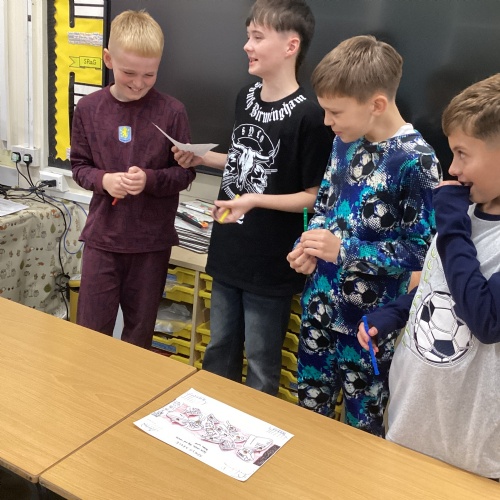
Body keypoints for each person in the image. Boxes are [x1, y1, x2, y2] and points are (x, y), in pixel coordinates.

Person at [174, 0, 332, 395]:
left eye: (257, 37)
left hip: (270, 262)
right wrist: (202, 157)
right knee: (218, 349)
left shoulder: (311, 116)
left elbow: (313, 196)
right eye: (248, 36)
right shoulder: (245, 96)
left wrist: (255, 201)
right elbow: (240, 158)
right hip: (228, 248)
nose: (247, 46)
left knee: (262, 363)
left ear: (290, 46)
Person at [287, 35, 442, 436]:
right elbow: (324, 208)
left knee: (361, 434)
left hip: (368, 328)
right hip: (319, 309)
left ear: (376, 104)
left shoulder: (417, 162)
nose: (327, 121)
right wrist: (306, 246)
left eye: (335, 111)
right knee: (305, 421)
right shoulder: (344, 142)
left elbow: (422, 253)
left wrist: (344, 251)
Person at [358, 73, 500, 478]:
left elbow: (487, 319)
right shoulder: (466, 211)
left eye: (462, 153)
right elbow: (441, 282)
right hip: (411, 422)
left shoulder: (457, 221)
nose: (453, 168)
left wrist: (453, 227)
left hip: (469, 452)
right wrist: (396, 312)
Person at [71, 10, 195, 348]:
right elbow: (79, 166)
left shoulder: (172, 112)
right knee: (90, 333)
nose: (139, 83)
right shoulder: (88, 108)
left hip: (150, 244)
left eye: (149, 74)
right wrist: (104, 180)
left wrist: (149, 180)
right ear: (108, 59)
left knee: (140, 336)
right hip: (103, 240)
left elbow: (185, 173)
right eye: (129, 73)